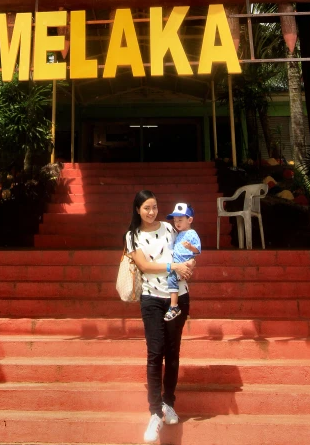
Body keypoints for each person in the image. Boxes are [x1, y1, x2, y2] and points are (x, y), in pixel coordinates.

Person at [125, 189, 196, 444]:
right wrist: (173, 266)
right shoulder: (132, 236)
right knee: (155, 352)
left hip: (179, 297)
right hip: (152, 299)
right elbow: (144, 266)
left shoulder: (169, 228)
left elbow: (187, 249)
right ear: (137, 210)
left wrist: (189, 265)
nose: (151, 212)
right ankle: (154, 412)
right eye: (146, 208)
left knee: (172, 351)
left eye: (154, 207)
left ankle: (169, 403)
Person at [164, 203, 201, 322]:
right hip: (178, 263)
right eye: (175, 220)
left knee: (171, 278)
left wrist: (190, 248)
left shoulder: (192, 233)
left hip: (184, 263)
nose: (177, 223)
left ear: (190, 220)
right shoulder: (178, 233)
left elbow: (198, 250)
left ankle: (174, 306)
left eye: (180, 220)